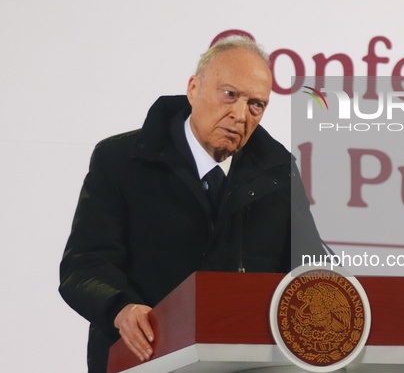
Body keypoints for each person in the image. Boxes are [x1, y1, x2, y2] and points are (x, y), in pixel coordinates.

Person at [59, 36, 328, 373]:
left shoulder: (278, 174)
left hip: (244, 363)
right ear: (193, 88)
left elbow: (311, 268)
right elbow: (84, 267)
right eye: (229, 95)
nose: (240, 115)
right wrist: (122, 310)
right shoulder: (121, 162)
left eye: (256, 104)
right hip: (143, 360)